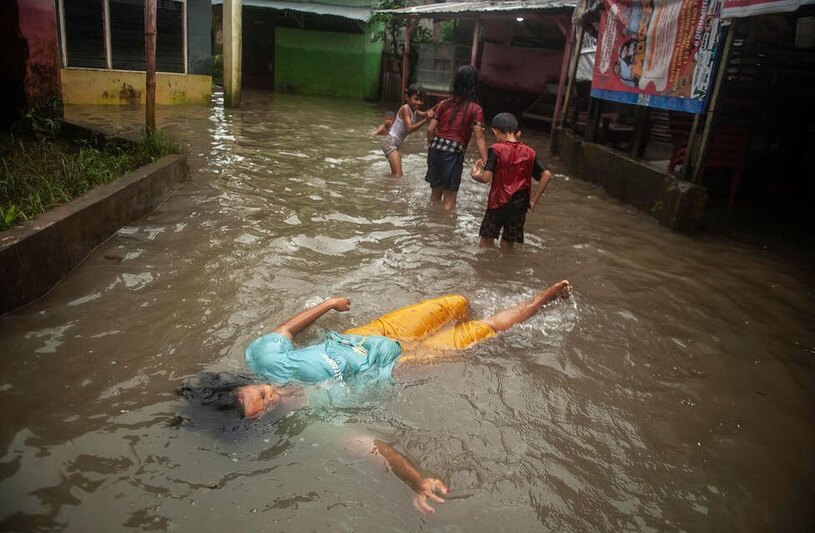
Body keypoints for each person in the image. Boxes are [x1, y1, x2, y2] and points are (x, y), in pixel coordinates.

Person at [182, 280, 570, 514]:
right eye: (262, 408)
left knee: (458, 303)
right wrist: (416, 480)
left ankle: (480, 306)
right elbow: (372, 447)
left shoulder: (265, 358)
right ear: (256, 423)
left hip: (372, 334)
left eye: (259, 393)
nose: (269, 398)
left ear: (241, 385)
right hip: (405, 363)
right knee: (482, 330)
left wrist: (329, 304)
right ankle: (539, 303)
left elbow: (285, 329)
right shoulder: (312, 422)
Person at [471, 112, 553, 250]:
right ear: (518, 133)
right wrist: (533, 201)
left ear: (494, 131)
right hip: (520, 203)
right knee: (508, 243)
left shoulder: (496, 149)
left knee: (486, 241)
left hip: (498, 202)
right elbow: (547, 175)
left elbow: (486, 178)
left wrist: (475, 175)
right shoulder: (530, 152)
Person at [425, 65, 489, 210]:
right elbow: (479, 137)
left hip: (434, 150)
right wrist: (487, 163)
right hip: (453, 153)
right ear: (474, 85)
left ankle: (428, 227)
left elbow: (430, 129)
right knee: (450, 200)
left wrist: (433, 146)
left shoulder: (443, 104)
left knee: (434, 196)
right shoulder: (476, 109)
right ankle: (444, 232)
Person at [383, 84, 433, 177]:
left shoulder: (413, 109)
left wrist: (434, 110)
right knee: (398, 175)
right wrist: (425, 120)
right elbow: (409, 129)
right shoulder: (406, 108)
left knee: (397, 175)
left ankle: (385, 184)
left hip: (395, 144)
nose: (418, 103)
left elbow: (424, 114)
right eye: (416, 99)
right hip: (390, 143)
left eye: (421, 100)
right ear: (407, 97)